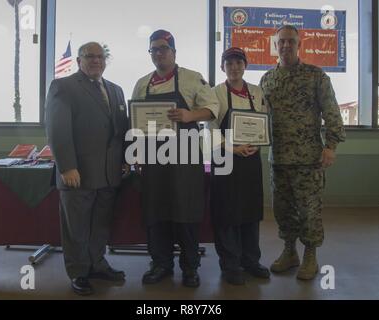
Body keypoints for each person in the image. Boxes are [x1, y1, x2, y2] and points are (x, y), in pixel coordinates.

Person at [131, 30, 219, 288]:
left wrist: (189, 116)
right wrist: (136, 149)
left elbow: (212, 109)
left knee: (186, 211)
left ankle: (190, 267)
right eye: (154, 50)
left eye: (163, 48)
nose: (159, 53)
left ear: (174, 52)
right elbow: (135, 122)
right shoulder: (142, 83)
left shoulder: (192, 78)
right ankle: (160, 264)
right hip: (152, 158)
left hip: (185, 155)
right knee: (155, 211)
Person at [260, 25, 346, 280]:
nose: (286, 45)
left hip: (309, 159)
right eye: (281, 42)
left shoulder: (316, 76)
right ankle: (290, 251)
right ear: (275, 46)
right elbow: (258, 118)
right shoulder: (267, 80)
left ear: (299, 45)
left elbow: (332, 112)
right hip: (279, 159)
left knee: (309, 210)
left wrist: (331, 146)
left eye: (290, 41)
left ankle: (310, 255)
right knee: (282, 210)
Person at [45, 42, 129, 295]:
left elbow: (121, 130)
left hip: (109, 173)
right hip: (77, 174)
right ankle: (79, 272)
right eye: (89, 56)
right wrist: (67, 166)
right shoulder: (64, 86)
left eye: (100, 56)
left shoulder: (116, 90)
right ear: (79, 60)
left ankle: (98, 264)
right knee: (77, 228)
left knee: (101, 225)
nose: (95, 60)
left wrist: (126, 158)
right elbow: (57, 129)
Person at [210, 47, 270, 285]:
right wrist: (231, 147)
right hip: (225, 159)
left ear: (245, 65)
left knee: (250, 212)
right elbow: (210, 128)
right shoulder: (214, 93)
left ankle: (251, 261)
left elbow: (263, 123)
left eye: (238, 62)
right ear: (223, 67)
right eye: (229, 63)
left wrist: (257, 143)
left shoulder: (257, 92)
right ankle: (230, 264)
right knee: (226, 214)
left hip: (250, 160)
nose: (234, 67)